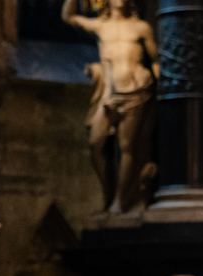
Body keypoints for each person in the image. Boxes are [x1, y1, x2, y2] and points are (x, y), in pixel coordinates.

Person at [62, 0, 157, 214]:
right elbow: (68, 17)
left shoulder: (141, 27)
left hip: (135, 92)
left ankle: (119, 201)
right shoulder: (100, 25)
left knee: (127, 147)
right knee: (95, 143)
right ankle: (108, 195)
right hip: (109, 95)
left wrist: (160, 86)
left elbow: (155, 59)